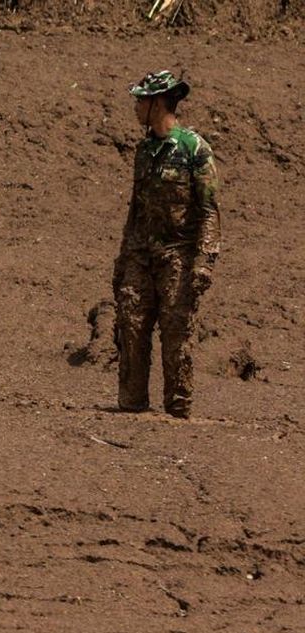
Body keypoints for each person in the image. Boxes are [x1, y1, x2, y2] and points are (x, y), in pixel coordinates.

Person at [113, 71, 221, 418]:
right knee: (131, 325)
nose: (135, 108)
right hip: (141, 254)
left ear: (157, 103)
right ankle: (131, 406)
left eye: (140, 101)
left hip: (178, 255)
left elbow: (208, 209)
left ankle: (177, 413)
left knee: (176, 335)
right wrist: (123, 257)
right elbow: (136, 206)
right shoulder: (145, 150)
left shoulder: (194, 148)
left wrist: (204, 260)